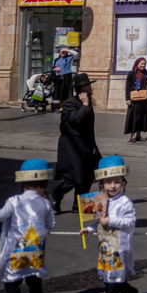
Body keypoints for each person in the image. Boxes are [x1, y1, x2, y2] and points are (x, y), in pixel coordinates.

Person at [0, 158, 54, 293]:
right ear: (44, 183)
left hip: (18, 248)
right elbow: (50, 224)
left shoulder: (14, 200)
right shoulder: (45, 202)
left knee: (12, 280)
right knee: (33, 274)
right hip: (36, 247)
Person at [81, 155, 139, 293]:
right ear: (101, 184)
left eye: (117, 181)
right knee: (108, 272)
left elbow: (130, 221)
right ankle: (129, 291)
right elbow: (99, 222)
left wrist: (111, 220)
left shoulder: (125, 202)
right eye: (108, 182)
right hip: (105, 244)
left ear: (123, 182)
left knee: (112, 274)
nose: (112, 186)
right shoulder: (98, 199)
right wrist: (89, 229)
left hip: (119, 244)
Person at [53, 72, 101, 213]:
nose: (90, 89)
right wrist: (85, 105)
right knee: (71, 177)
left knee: (87, 176)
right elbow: (75, 120)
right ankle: (55, 197)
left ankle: (80, 206)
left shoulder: (87, 102)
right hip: (72, 146)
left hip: (86, 145)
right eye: (88, 87)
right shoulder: (70, 103)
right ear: (82, 89)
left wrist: (94, 147)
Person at [123, 58, 147, 143]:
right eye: (141, 64)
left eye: (144, 64)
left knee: (142, 118)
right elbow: (127, 87)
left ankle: (139, 135)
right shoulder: (132, 73)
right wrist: (127, 98)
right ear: (137, 63)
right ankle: (133, 135)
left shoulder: (146, 73)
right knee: (134, 117)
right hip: (135, 99)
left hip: (144, 99)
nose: (143, 65)